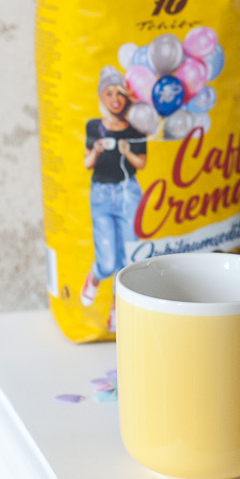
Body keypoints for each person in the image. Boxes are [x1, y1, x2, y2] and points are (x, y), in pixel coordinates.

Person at [82, 67, 147, 326]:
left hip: (128, 192)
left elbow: (141, 163)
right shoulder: (94, 127)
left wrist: (127, 150)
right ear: (101, 96)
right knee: (108, 261)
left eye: (119, 92)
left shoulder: (137, 128)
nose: (115, 98)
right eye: (109, 93)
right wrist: (96, 150)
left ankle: (115, 309)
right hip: (101, 194)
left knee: (128, 258)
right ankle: (95, 277)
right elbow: (87, 163)